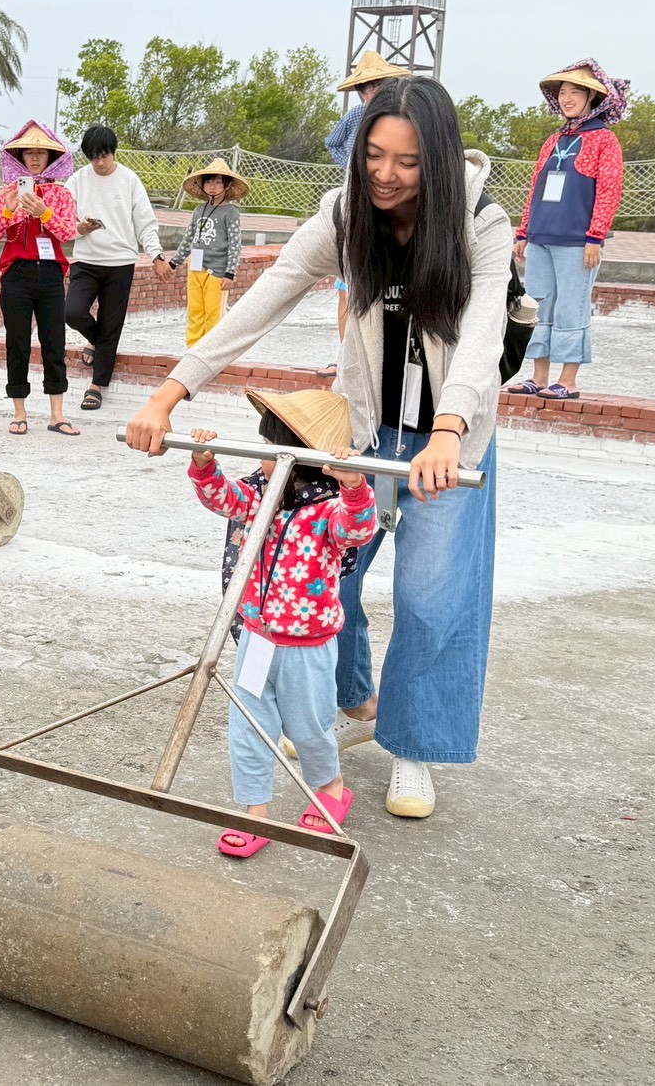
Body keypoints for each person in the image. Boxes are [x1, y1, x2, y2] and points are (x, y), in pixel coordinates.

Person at [126, 76, 511, 820]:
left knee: (431, 599)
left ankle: (412, 748)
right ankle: (331, 704)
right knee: (318, 568)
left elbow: (482, 333)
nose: (386, 175)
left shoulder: (479, 223)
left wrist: (447, 431)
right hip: (359, 430)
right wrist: (172, 389)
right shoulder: (343, 214)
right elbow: (265, 298)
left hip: (449, 439)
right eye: (373, 155)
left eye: (407, 161)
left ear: (436, 157)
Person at [184, 390, 377, 856]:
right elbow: (221, 498)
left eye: (273, 453)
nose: (263, 461)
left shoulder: (328, 510)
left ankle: (330, 788)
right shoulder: (258, 497)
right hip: (257, 638)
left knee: (308, 727)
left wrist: (353, 484)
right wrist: (204, 462)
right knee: (247, 725)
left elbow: (358, 529)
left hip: (307, 647)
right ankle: (254, 811)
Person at [507, 59, 628, 401]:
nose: (567, 98)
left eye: (575, 92)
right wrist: (523, 232)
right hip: (542, 237)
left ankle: (568, 380)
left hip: (577, 241)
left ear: (592, 97)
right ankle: (539, 376)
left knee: (570, 307)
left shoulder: (605, 140)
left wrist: (595, 237)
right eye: (562, 92)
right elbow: (535, 186)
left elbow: (609, 190)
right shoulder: (553, 140)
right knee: (539, 304)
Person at [64, 124, 172, 411]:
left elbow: (145, 224)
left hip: (121, 263)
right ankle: (97, 342)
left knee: (112, 325)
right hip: (86, 260)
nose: (100, 163)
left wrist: (156, 256)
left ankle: (96, 386)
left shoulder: (129, 180)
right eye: (93, 157)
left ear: (114, 151)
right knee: (72, 312)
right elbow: (62, 225)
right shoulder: (76, 181)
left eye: (104, 155)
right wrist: (80, 229)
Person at [0, 120, 80, 436]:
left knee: (55, 341)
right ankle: (19, 412)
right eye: (29, 153)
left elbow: (68, 232)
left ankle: (56, 414)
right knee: (18, 343)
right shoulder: (8, 193)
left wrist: (44, 213)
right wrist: (9, 212)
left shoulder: (60, 194)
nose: (36, 158)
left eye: (42, 153)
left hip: (51, 274)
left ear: (51, 157)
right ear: (20, 157)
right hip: (17, 275)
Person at [322, 53, 411, 378]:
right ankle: (346, 357)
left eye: (377, 85)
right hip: (358, 206)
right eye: (365, 87)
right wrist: (353, 164)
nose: (369, 93)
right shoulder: (356, 114)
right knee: (347, 287)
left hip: (390, 208)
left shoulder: (403, 118)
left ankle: (378, 359)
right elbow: (332, 143)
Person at [167, 159, 247, 347]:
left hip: (217, 270)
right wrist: (174, 262)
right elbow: (189, 238)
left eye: (218, 182)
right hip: (195, 265)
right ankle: (192, 347)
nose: (212, 186)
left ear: (226, 185)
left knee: (213, 313)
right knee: (195, 310)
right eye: (209, 182)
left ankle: (210, 351)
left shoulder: (231, 212)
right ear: (202, 184)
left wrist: (230, 272)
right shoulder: (199, 209)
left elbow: (235, 243)